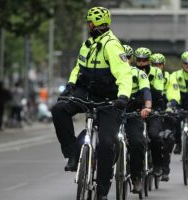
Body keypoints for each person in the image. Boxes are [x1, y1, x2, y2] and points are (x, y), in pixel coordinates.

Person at [51, 7, 133, 200]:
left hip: (109, 100)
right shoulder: (87, 44)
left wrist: (123, 97)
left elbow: (124, 74)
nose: (88, 25)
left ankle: (102, 191)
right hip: (86, 93)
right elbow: (78, 68)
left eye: (90, 22)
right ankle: (72, 154)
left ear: (97, 24)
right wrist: (69, 87)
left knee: (106, 144)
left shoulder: (112, 45)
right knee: (59, 110)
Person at [134, 47, 180, 178]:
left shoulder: (163, 75)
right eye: (139, 60)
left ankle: (161, 164)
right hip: (137, 110)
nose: (142, 63)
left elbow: (167, 92)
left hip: (158, 109)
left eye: (159, 64)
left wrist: (172, 104)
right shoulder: (132, 72)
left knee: (159, 136)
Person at [123, 44, 152, 193]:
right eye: (121, 57)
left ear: (131, 59)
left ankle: (136, 178)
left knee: (137, 142)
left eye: (127, 57)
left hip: (134, 114)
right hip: (114, 114)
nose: (124, 60)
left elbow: (146, 90)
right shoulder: (110, 72)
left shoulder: (139, 74)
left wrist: (147, 106)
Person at [150, 52, 176, 181]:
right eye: (154, 64)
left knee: (167, 139)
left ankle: (165, 167)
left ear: (163, 65)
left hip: (165, 110)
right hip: (151, 109)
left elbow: (173, 92)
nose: (156, 67)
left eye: (159, 64)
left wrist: (171, 105)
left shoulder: (169, 78)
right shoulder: (148, 75)